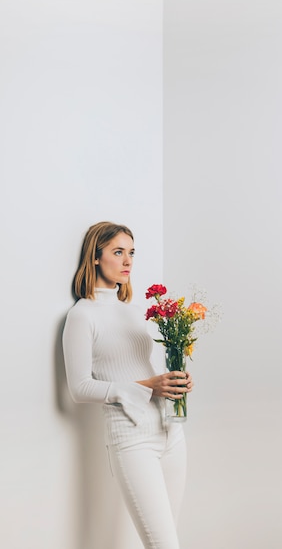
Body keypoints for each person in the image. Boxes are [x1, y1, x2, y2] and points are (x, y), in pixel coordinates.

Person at [62, 221, 192, 549]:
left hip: (171, 432)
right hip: (132, 438)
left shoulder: (137, 313)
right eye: (118, 252)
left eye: (131, 253)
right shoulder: (83, 315)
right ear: (95, 256)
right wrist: (147, 385)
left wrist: (177, 380)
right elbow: (78, 388)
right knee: (164, 545)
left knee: (169, 539)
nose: (127, 261)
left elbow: (146, 366)